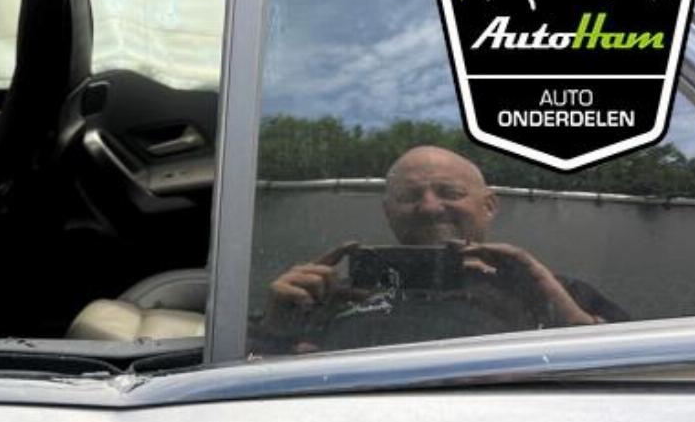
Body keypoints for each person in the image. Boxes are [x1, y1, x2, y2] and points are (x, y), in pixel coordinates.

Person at [254, 146, 628, 354]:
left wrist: (576, 326)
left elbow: (635, 381)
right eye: (409, 197)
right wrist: (273, 329)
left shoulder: (550, 291)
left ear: (489, 206)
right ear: (388, 212)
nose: (430, 207)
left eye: (450, 192)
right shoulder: (330, 297)